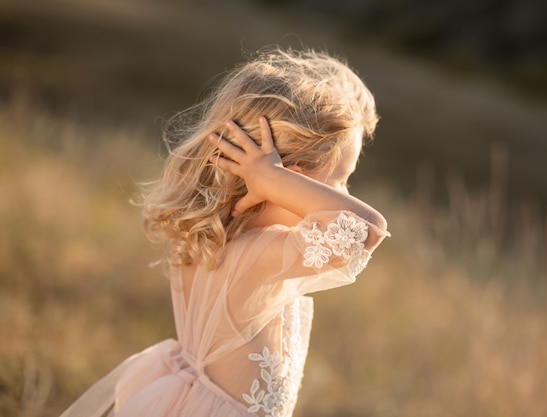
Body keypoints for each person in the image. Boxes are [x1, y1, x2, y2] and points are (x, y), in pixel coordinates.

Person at [60, 47, 389, 417]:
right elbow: (367, 230)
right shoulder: (258, 254)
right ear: (290, 177)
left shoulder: (206, 235)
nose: (344, 196)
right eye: (340, 182)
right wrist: (272, 179)